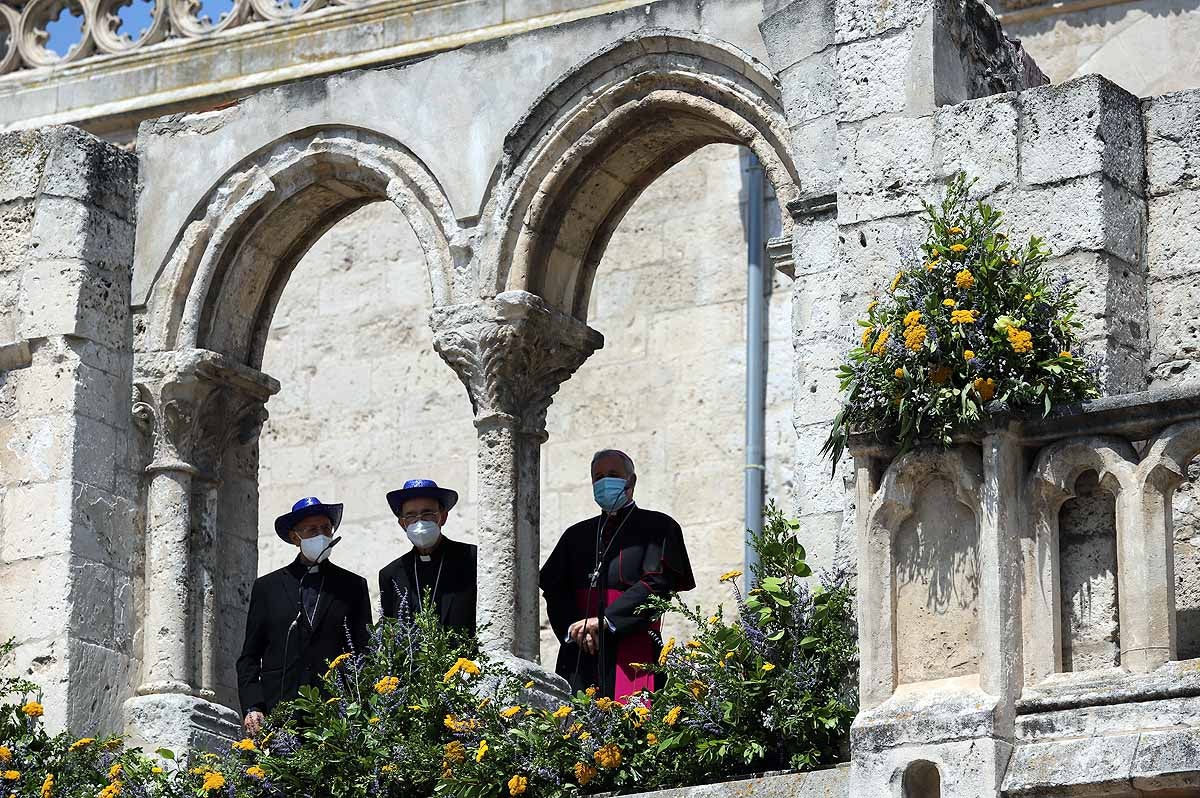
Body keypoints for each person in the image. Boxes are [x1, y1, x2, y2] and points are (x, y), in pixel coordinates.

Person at [540, 450, 695, 699]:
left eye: (613, 474)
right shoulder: (575, 535)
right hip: (581, 650)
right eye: (598, 477)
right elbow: (554, 588)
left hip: (633, 644)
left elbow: (657, 583)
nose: (604, 482)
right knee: (577, 729)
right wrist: (573, 630)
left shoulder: (660, 527)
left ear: (631, 481)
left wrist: (605, 621)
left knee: (638, 728)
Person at [237, 496, 372, 736]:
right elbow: (249, 657)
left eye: (325, 528)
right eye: (311, 529)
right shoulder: (268, 587)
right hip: (279, 709)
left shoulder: (352, 586)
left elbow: (364, 651)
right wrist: (253, 705)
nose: (320, 534)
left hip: (336, 714)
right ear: (295, 537)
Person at [379, 479, 477, 636]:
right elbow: (389, 634)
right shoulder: (391, 574)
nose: (419, 521)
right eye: (411, 515)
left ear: (442, 517)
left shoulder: (472, 559)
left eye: (427, 513)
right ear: (402, 524)